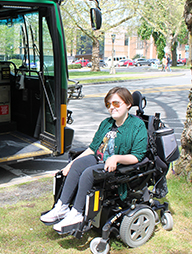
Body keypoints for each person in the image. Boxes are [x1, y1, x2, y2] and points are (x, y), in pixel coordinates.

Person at [40, 86, 148, 232]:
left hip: (118, 167)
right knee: (77, 165)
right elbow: (92, 148)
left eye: (116, 103)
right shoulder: (106, 123)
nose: (112, 108)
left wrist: (116, 158)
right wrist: (70, 164)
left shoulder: (137, 126)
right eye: (109, 104)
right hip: (99, 159)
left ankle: (77, 213)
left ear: (128, 104)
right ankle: (62, 207)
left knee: (88, 173)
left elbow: (137, 156)